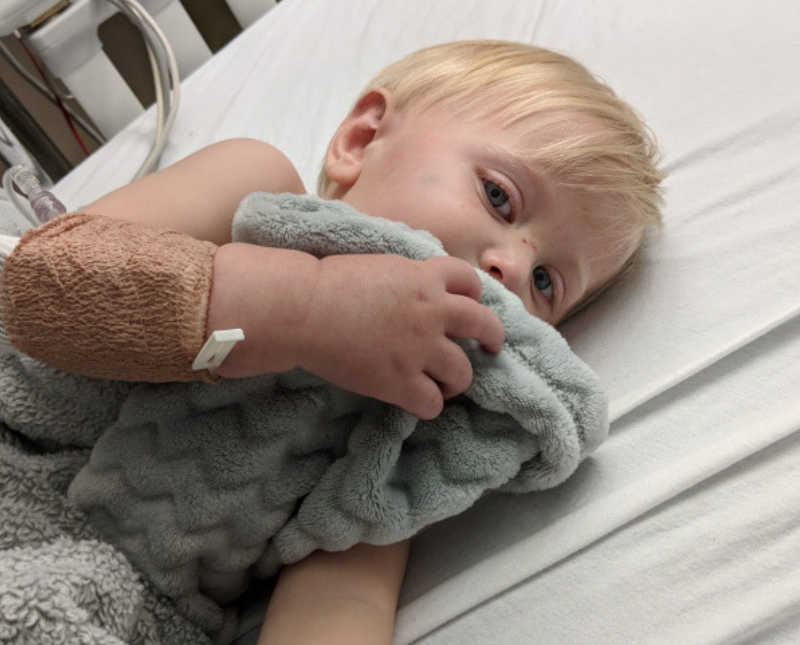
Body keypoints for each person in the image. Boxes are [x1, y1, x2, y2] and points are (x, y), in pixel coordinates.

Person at [1, 41, 663, 644]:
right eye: (498, 195)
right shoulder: (250, 192)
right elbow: (38, 288)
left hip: (114, 604)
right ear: (361, 137)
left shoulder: (412, 419)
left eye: (547, 281)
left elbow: (338, 599)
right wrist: (308, 308)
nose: (512, 268)